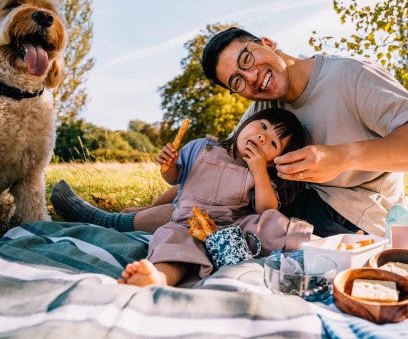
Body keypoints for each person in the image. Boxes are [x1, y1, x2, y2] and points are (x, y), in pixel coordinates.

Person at [52, 27, 408, 238]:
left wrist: (342, 157)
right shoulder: (263, 106)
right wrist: (153, 196)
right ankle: (128, 218)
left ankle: (107, 223)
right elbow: (212, 166)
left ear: (268, 43)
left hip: (353, 213)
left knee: (219, 212)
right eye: (237, 82)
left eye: (248, 59)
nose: (252, 79)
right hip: (292, 199)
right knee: (215, 190)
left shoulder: (350, 75)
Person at [53, 108, 316, 287]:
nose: (262, 137)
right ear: (246, 123)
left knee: (273, 223)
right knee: (175, 242)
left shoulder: (261, 173)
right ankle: (158, 277)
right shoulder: (203, 147)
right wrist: (168, 166)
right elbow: (176, 179)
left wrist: (258, 171)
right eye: (263, 126)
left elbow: (265, 209)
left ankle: (314, 247)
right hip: (186, 222)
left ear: (274, 161)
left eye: (273, 143)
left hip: (230, 229)